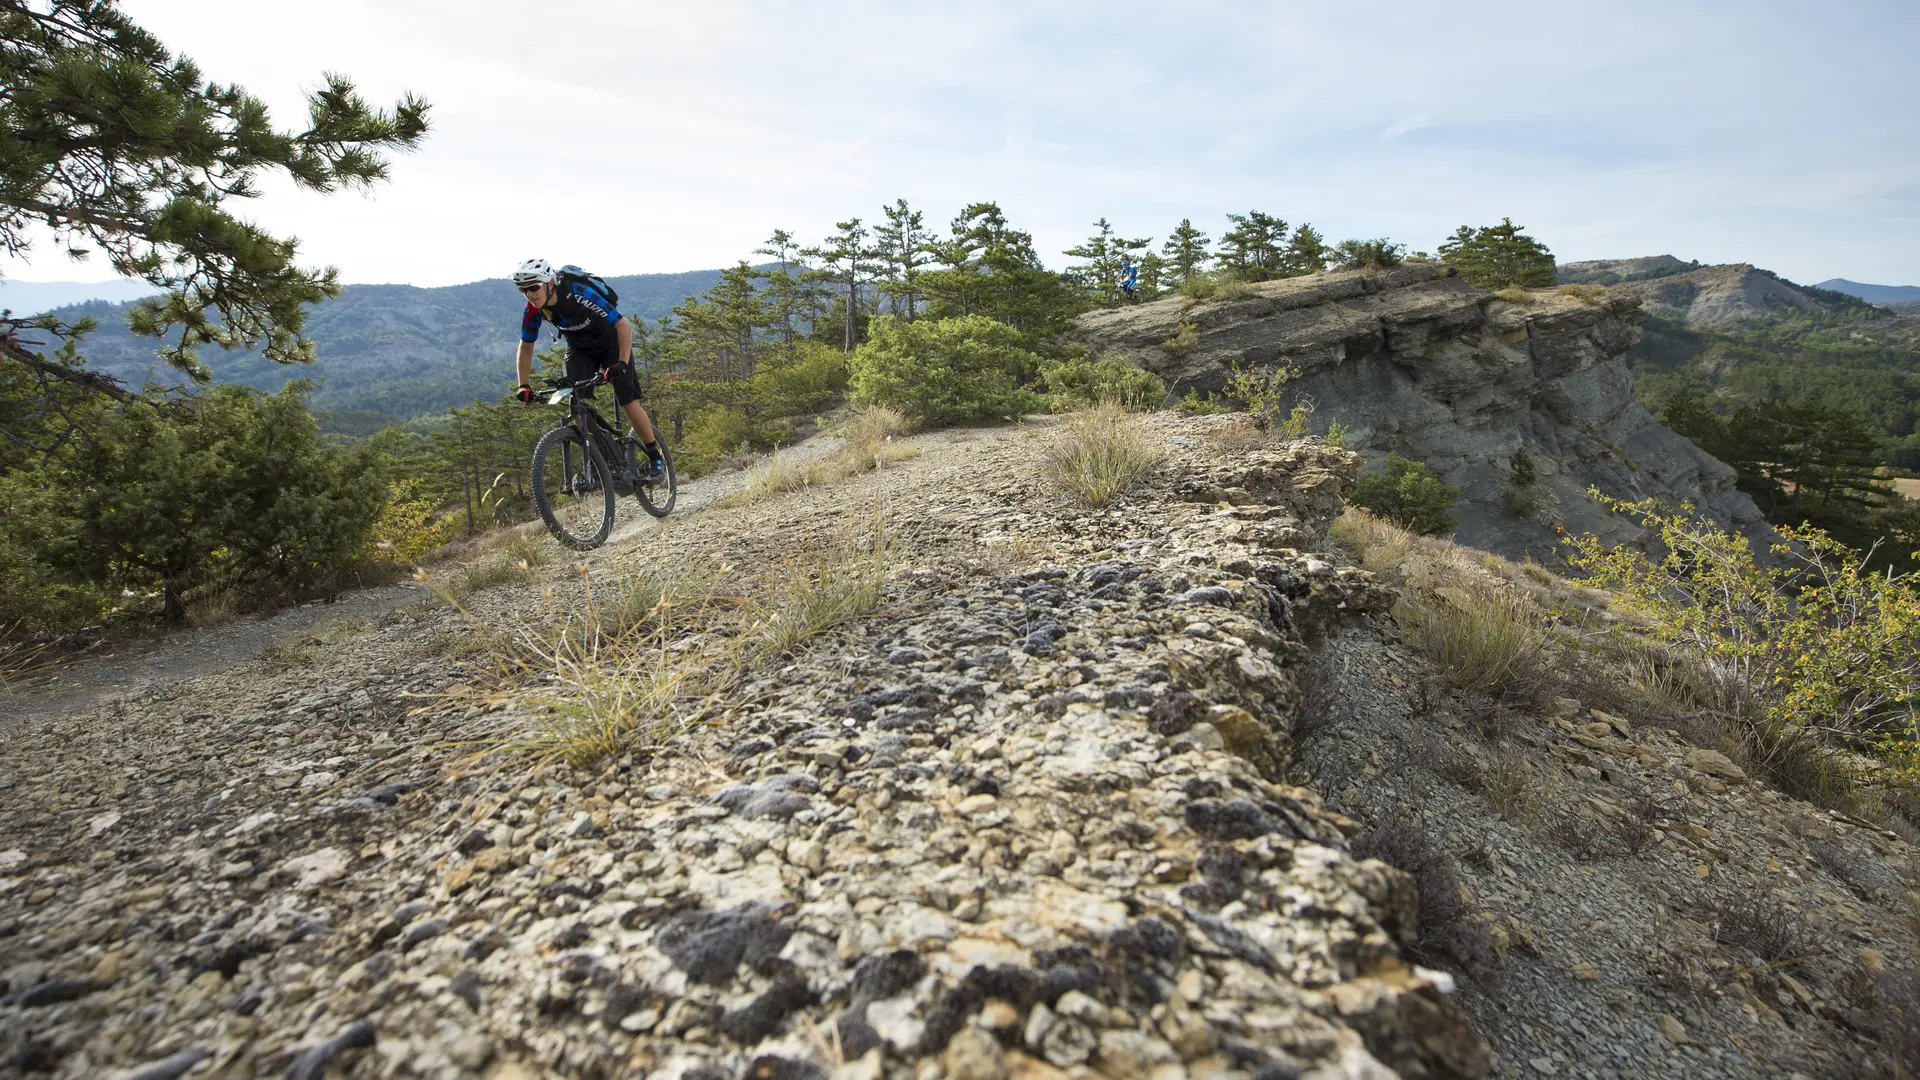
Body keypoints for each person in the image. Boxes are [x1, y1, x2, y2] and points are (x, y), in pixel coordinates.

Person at [510, 258, 663, 478]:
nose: (529, 294)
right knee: (578, 407)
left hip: (611, 343)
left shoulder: (578, 292)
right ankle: (603, 463)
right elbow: (526, 346)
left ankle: (654, 454)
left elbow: (623, 325)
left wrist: (622, 362)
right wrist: (523, 385)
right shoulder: (533, 310)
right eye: (523, 290)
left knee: (627, 401)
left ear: (549, 283)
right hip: (580, 349)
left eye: (533, 287)